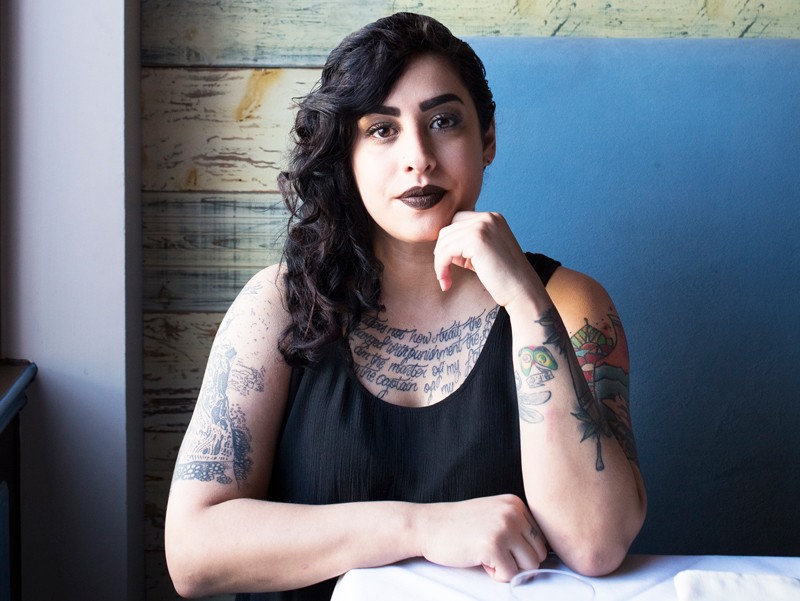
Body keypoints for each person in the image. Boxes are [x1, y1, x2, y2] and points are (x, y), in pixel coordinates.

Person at [164, 12, 646, 601]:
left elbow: (597, 542)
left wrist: (523, 298)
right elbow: (192, 553)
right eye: (382, 130)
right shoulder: (280, 306)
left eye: (443, 121)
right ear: (347, 153)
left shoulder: (569, 305)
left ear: (487, 139)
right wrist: (422, 527)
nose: (419, 157)